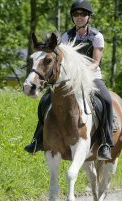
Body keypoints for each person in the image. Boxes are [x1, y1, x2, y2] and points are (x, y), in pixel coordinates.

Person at [24, 0, 114, 160]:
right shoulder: (66, 36)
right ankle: (37, 139)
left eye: (83, 14)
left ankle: (105, 143)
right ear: (73, 18)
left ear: (88, 17)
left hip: (91, 77)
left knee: (106, 100)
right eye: (76, 14)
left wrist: (81, 73)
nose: (79, 17)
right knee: (45, 100)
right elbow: (61, 59)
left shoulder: (97, 37)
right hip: (69, 78)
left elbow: (95, 62)